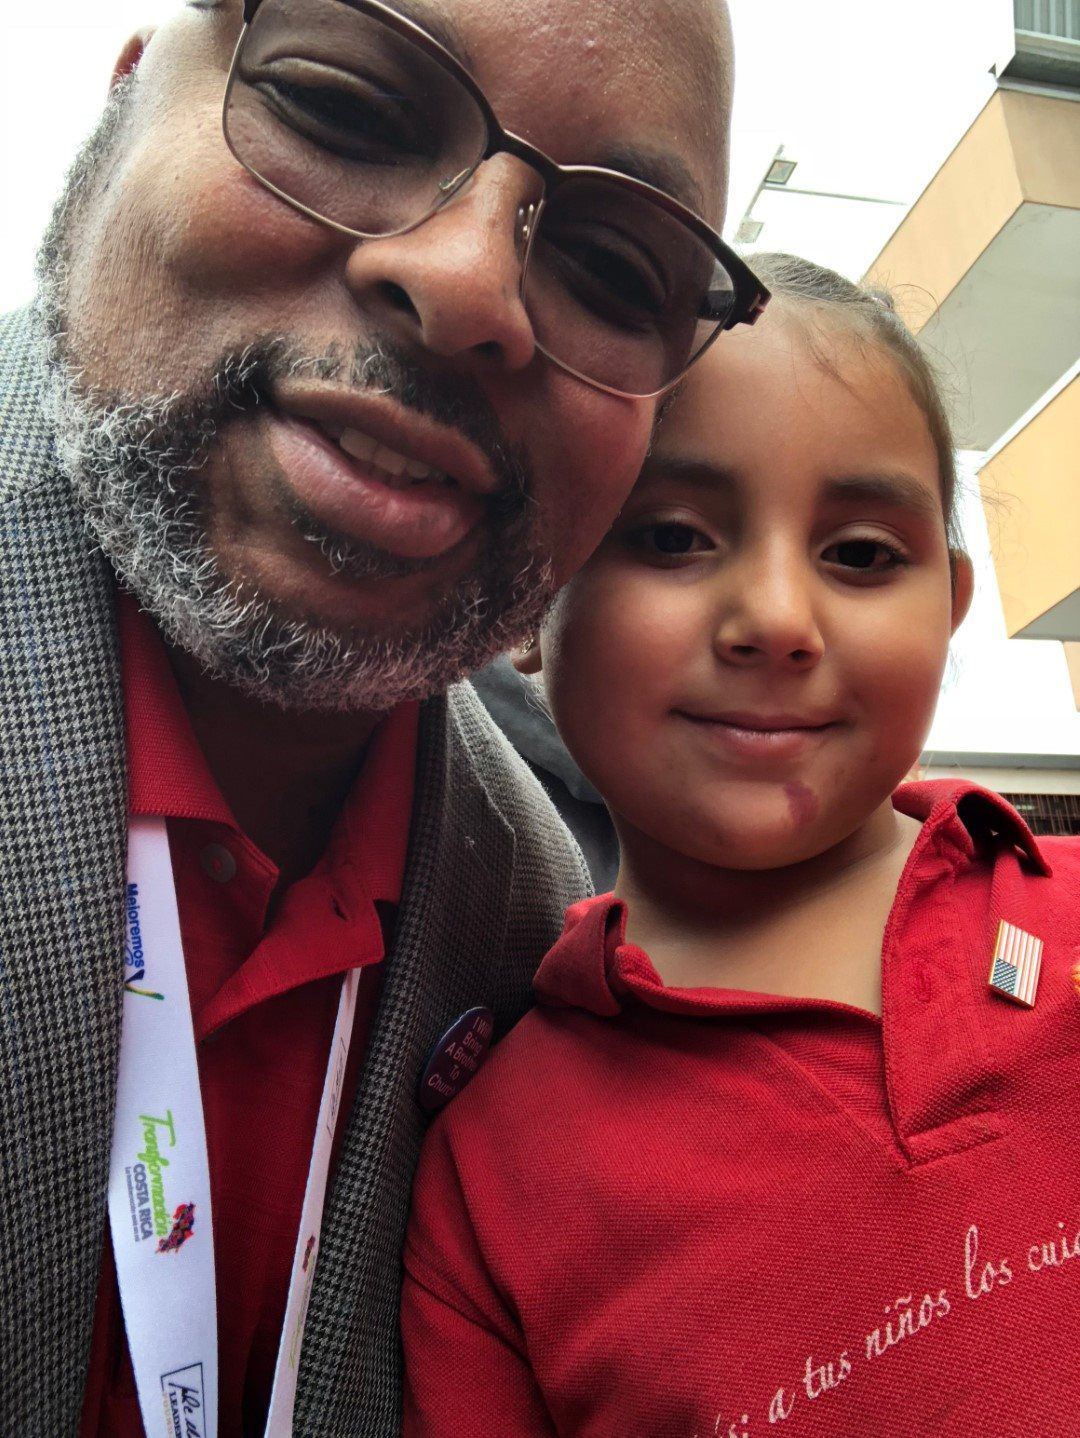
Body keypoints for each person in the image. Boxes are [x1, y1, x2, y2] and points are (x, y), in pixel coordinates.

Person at [0, 0, 769, 1432]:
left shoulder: (541, 917)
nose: (471, 285)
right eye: (347, 110)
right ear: (119, 115)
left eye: (611, 265)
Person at [401, 255, 1080, 1435]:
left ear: (953, 602)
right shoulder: (487, 1181)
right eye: (670, 536)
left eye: (863, 554)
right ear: (526, 606)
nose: (775, 618)